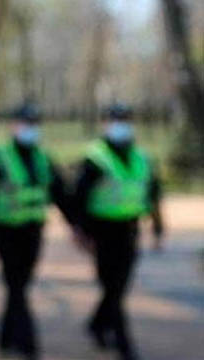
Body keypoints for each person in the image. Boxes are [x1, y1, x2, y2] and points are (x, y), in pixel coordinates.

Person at [0, 103, 73, 360]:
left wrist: (77, 225)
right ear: (13, 126)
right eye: (26, 124)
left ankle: (5, 338)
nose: (30, 129)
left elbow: (60, 194)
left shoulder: (43, 158)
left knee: (19, 284)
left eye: (34, 124)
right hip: (3, 230)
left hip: (32, 230)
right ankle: (28, 344)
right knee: (15, 283)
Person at [71, 103, 165, 360]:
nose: (120, 125)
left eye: (125, 120)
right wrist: (80, 231)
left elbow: (153, 195)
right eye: (115, 120)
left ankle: (96, 325)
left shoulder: (141, 158)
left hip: (130, 230)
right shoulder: (95, 158)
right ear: (105, 124)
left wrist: (158, 227)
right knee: (112, 287)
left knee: (118, 287)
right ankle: (124, 345)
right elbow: (78, 198)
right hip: (102, 231)